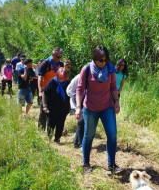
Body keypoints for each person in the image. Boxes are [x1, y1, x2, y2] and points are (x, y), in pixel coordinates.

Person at [75, 45, 124, 176]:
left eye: (105, 60)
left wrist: (117, 102)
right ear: (94, 58)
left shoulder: (110, 69)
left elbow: (113, 86)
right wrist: (78, 107)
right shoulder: (86, 70)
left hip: (107, 106)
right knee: (88, 135)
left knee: (112, 134)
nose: (103, 63)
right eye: (100, 60)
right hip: (90, 108)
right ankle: (86, 163)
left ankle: (111, 165)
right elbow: (79, 89)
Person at [38, 48, 64, 131]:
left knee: (54, 111)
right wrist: (40, 91)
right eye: (57, 57)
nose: (59, 59)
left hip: (56, 92)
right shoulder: (46, 63)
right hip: (45, 91)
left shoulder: (61, 64)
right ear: (53, 55)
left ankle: (51, 130)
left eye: (60, 57)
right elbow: (40, 77)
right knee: (43, 111)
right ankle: (41, 131)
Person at [43, 68, 71, 144]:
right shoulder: (51, 82)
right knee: (50, 124)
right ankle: (49, 138)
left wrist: (71, 107)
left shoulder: (68, 83)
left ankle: (57, 139)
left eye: (63, 79)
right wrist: (45, 105)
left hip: (63, 108)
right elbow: (45, 93)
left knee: (60, 124)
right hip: (51, 108)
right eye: (60, 78)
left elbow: (71, 95)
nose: (61, 80)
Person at [67, 72, 84, 149]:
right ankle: (80, 144)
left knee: (81, 122)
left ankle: (76, 142)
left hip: (85, 104)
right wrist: (76, 96)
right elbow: (68, 91)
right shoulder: (77, 78)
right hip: (75, 104)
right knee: (81, 121)